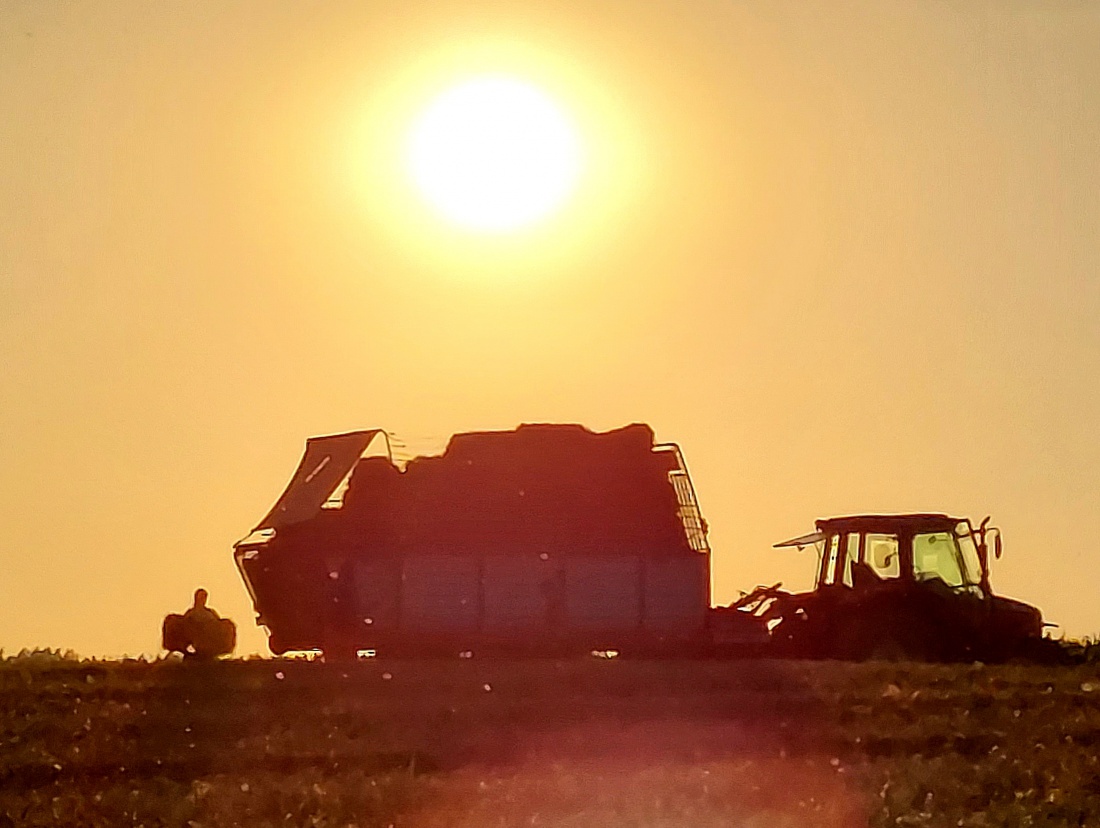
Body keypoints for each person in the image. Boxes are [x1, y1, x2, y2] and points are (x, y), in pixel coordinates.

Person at [162, 588, 236, 659]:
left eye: (203, 597)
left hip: (209, 644)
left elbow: (216, 622)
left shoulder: (210, 613)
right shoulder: (190, 613)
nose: (201, 599)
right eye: (199, 597)